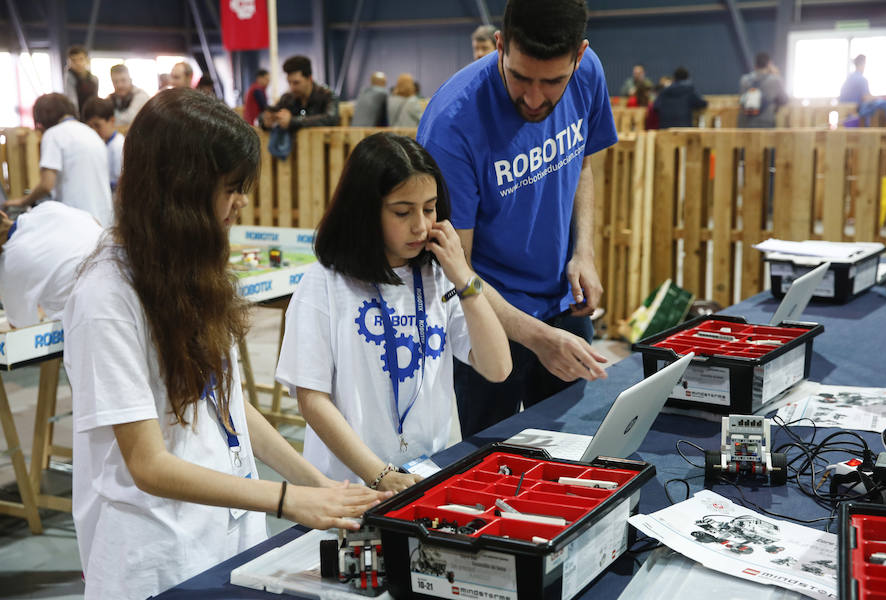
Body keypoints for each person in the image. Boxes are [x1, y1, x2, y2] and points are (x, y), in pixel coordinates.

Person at [64, 88, 390, 600]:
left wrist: (318, 487)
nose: (241, 201)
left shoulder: (188, 266)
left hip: (229, 537)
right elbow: (147, 463)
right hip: (156, 559)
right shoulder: (105, 296)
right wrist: (285, 499)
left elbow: (230, 407)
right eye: (230, 188)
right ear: (179, 189)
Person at [417, 0, 614, 439]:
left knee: (574, 457)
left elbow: (582, 164)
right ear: (501, 46)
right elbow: (455, 269)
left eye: (553, 82)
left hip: (565, 305)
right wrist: (537, 337)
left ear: (579, 56)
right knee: (492, 472)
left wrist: (584, 252)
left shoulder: (589, 73)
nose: (534, 97)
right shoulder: (453, 124)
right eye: (520, 77)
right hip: (488, 322)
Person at [275, 133, 511, 491]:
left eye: (429, 209)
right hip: (347, 487)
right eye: (403, 212)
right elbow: (312, 399)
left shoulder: (439, 277)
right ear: (366, 212)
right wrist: (380, 475)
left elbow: (497, 368)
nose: (420, 225)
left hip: (423, 476)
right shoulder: (324, 283)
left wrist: (464, 277)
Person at [6, 94, 113, 227]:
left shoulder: (54, 134)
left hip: (77, 221)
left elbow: (47, 184)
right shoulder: (91, 133)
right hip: (104, 219)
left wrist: (23, 202)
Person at [0, 202, 102, 328]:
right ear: (3, 214)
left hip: (93, 317)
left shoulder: (9, 268)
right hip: (124, 274)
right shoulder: (46, 208)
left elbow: (20, 330)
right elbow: (95, 223)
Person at [260, 55, 339, 132]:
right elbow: (265, 115)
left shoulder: (327, 95)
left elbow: (331, 119)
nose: (292, 87)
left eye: (296, 83)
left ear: (309, 79)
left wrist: (293, 121)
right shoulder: (287, 98)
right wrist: (266, 119)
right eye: (289, 82)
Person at [82, 97, 124, 192]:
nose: (94, 130)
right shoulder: (100, 144)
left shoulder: (118, 145)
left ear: (112, 121)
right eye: (90, 127)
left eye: (97, 125)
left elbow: (119, 180)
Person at [737, 52, 788, 128]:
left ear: (756, 65)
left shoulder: (744, 80)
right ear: (769, 64)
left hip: (746, 122)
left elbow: (742, 100)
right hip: (765, 122)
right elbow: (784, 100)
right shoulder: (775, 80)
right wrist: (777, 74)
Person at [839, 55, 886, 126]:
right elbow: (866, 97)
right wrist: (880, 97)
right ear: (862, 64)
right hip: (854, 114)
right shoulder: (862, 79)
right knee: (884, 104)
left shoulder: (849, 78)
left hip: (844, 113)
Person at [64, 45, 99, 116]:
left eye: (81, 59)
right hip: (76, 116)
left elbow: (95, 100)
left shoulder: (94, 79)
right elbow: (72, 101)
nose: (78, 63)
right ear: (68, 63)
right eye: (73, 60)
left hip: (92, 115)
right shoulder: (69, 78)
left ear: (87, 60)